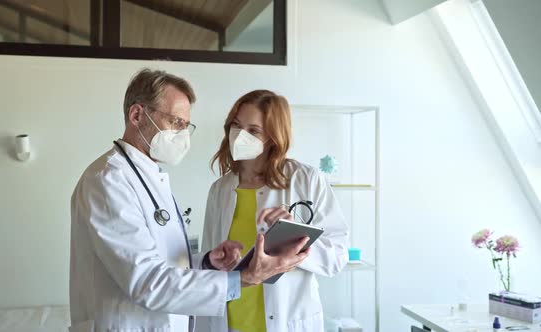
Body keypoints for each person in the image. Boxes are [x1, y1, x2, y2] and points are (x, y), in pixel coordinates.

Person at [69, 69, 310, 332]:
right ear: (137, 115)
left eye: (186, 125)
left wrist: (206, 262)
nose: (183, 134)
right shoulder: (108, 181)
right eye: (176, 122)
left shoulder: (147, 175)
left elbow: (158, 261)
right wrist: (242, 279)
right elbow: (147, 282)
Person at [197, 90, 349, 332]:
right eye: (236, 125)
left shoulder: (306, 180)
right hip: (229, 320)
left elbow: (337, 257)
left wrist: (296, 237)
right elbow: (206, 260)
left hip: (287, 320)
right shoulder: (220, 190)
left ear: (273, 137)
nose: (240, 136)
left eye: (253, 130)